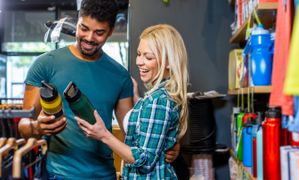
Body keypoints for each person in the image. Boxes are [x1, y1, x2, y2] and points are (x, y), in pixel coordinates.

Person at [18, 1, 178, 179]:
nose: (89, 37)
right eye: (84, 28)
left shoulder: (120, 76)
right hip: (59, 174)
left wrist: (167, 141)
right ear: (77, 22)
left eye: (99, 32)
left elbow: (132, 132)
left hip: (104, 175)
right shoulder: (45, 64)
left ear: (110, 32)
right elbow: (23, 126)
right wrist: (37, 127)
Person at [76, 24, 189, 179]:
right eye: (139, 54)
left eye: (148, 57)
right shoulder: (158, 97)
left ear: (169, 62)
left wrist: (104, 135)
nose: (139, 62)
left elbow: (144, 161)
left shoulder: (157, 102)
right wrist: (136, 97)